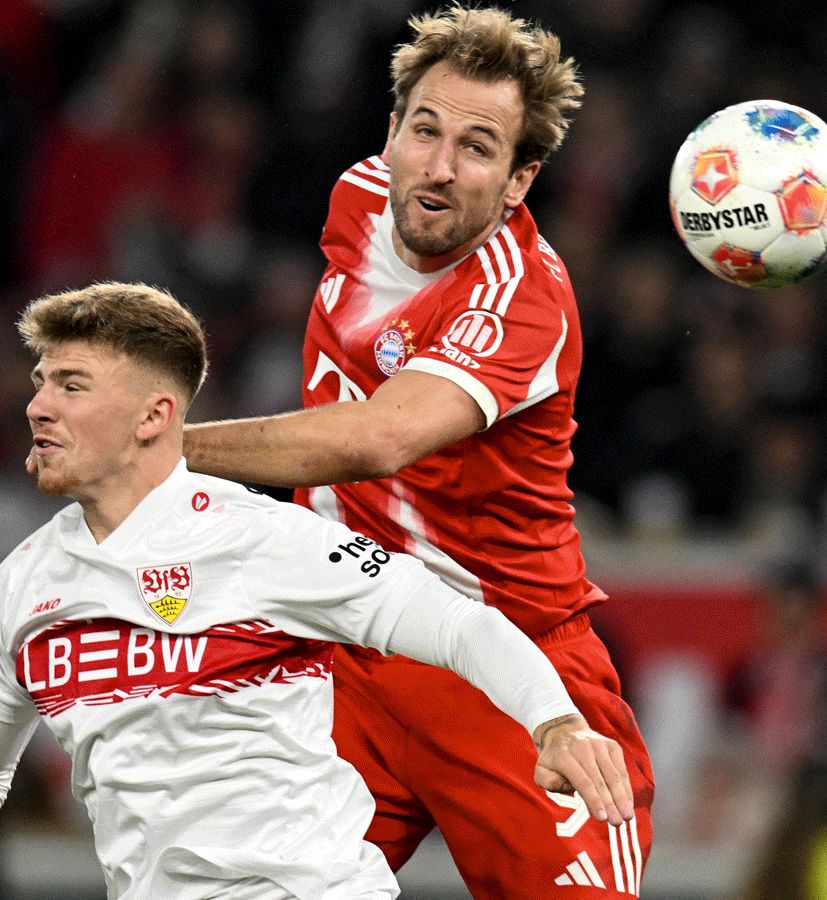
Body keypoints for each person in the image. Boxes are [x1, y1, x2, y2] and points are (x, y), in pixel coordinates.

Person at [182, 5, 654, 896]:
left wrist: (163, 449)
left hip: (511, 673)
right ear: (392, 130)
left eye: (478, 148)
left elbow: (380, 437)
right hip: (348, 655)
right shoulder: (359, 197)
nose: (439, 166)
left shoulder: (521, 298)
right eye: (425, 130)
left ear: (519, 181)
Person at [4, 282, 634, 900]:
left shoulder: (262, 539)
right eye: (41, 382)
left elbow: (459, 624)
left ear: (154, 416)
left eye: (71, 386)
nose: (38, 406)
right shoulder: (23, 584)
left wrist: (557, 725)